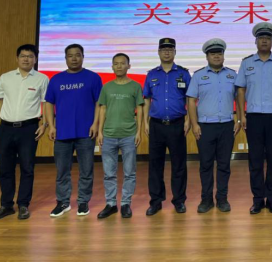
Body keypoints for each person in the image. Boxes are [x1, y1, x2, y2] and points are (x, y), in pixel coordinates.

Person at [236, 23, 272, 215]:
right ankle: (258, 200)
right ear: (256, 41)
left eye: (268, 38)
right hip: (253, 117)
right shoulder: (247, 63)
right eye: (261, 38)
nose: (264, 41)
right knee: (255, 161)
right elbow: (240, 90)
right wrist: (241, 115)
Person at [0, 44, 49, 221]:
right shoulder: (5, 77)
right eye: (23, 56)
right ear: (17, 58)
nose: (26, 59)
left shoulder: (42, 79)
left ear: (35, 59)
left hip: (29, 128)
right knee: (5, 168)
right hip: (5, 128)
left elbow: (46, 103)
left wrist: (44, 124)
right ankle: (6, 205)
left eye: (30, 56)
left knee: (27, 168)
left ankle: (23, 204)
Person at [44, 44, 102, 217]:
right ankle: (63, 202)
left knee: (86, 170)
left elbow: (99, 103)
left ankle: (83, 202)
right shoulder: (56, 79)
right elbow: (49, 103)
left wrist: (95, 124)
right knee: (62, 170)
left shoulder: (93, 78)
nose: (74, 58)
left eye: (78, 55)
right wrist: (51, 125)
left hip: (86, 133)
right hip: (62, 133)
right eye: (70, 55)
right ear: (65, 58)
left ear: (83, 57)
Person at [187, 39, 242, 213]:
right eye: (213, 54)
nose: (216, 56)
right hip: (205, 127)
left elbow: (240, 98)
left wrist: (239, 120)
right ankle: (206, 200)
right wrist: (194, 124)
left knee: (224, 165)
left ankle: (222, 199)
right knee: (206, 165)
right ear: (207, 56)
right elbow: (191, 101)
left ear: (223, 55)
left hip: (227, 126)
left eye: (219, 53)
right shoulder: (198, 76)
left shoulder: (232, 75)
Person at [143, 38, 191, 216]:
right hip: (156, 125)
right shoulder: (151, 74)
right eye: (163, 49)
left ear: (175, 52)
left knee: (179, 165)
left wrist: (188, 120)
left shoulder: (184, 74)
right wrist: (145, 121)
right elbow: (146, 99)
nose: (167, 52)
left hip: (177, 125)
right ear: (158, 52)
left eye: (170, 49)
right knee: (155, 165)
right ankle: (156, 201)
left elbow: (190, 98)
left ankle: (179, 201)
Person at [97, 53, 144, 219]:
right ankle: (111, 204)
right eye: (116, 64)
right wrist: (100, 131)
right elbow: (102, 109)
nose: (119, 66)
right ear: (112, 67)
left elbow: (140, 109)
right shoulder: (107, 87)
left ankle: (125, 204)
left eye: (122, 63)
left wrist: (139, 131)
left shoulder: (135, 86)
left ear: (128, 66)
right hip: (108, 135)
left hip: (129, 135)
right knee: (109, 173)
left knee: (129, 172)